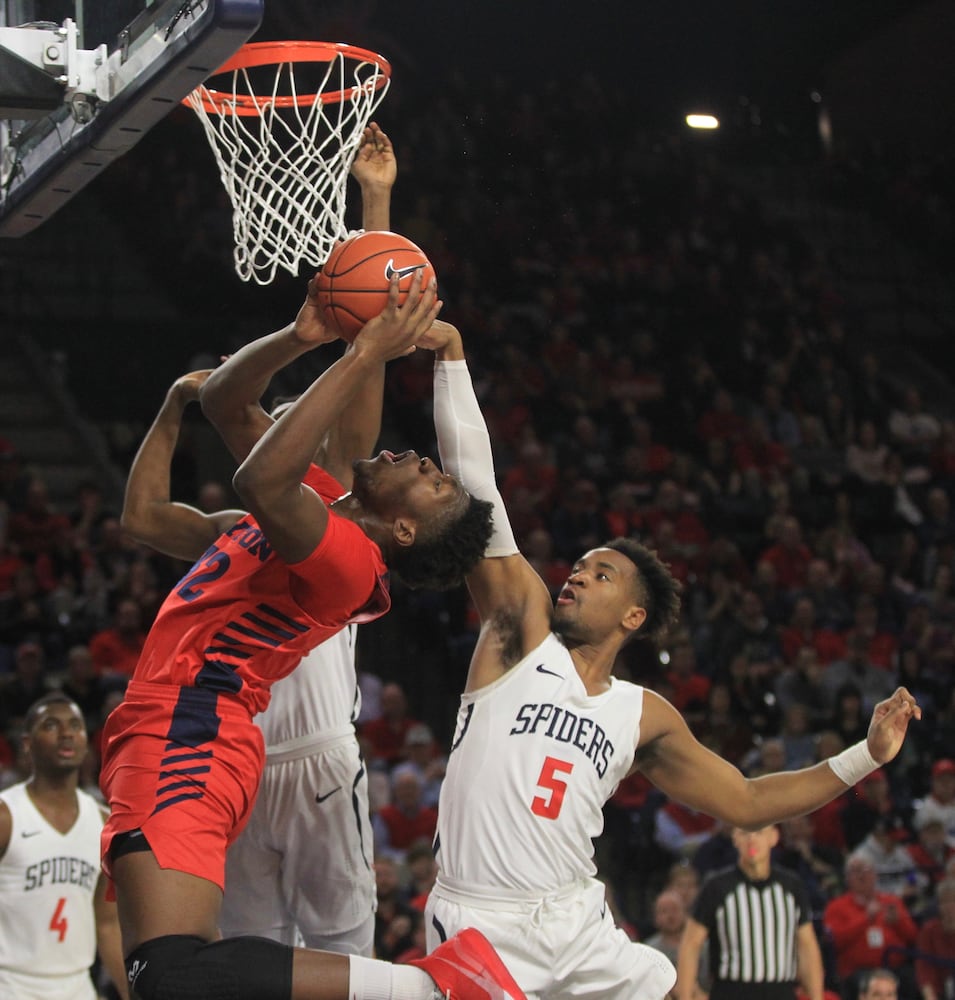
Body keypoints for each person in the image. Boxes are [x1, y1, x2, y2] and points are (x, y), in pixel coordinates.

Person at [420, 318, 921, 999]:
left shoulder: (641, 715)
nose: (573, 576)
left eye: (599, 575)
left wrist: (866, 754)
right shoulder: (518, 636)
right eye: (578, 566)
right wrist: (450, 357)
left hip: (576, 922)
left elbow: (746, 801)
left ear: (633, 617)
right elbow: (477, 490)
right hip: (479, 919)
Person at [97, 222, 518, 997]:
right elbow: (224, 400)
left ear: (402, 530)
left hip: (191, 725)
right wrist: (302, 334)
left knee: (172, 976)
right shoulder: (333, 507)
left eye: (432, 481)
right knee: (182, 973)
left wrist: (362, 353)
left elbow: (259, 482)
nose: (421, 459)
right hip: (189, 724)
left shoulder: (350, 565)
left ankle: (428, 987)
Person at [118, 123, 399, 957]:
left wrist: (376, 203)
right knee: (245, 952)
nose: (281, 430)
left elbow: (365, 351)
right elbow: (139, 520)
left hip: (312, 755)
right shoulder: (234, 530)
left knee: (344, 946)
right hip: (225, 749)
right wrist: (171, 409)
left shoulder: (335, 501)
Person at [0, 692, 128, 1000]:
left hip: (78, 987)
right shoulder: (7, 816)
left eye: (75, 725)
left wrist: (131, 993)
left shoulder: (102, 822)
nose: (67, 732)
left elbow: (108, 924)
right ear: (28, 744)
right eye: (52, 725)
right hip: (11, 985)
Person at [675, 825, 824, 1000]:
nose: (752, 840)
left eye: (759, 832)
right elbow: (691, 945)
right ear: (735, 838)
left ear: (773, 837)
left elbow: (807, 947)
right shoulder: (717, 887)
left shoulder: (791, 887)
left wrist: (817, 997)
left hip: (781, 992)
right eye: (744, 833)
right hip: (731, 992)